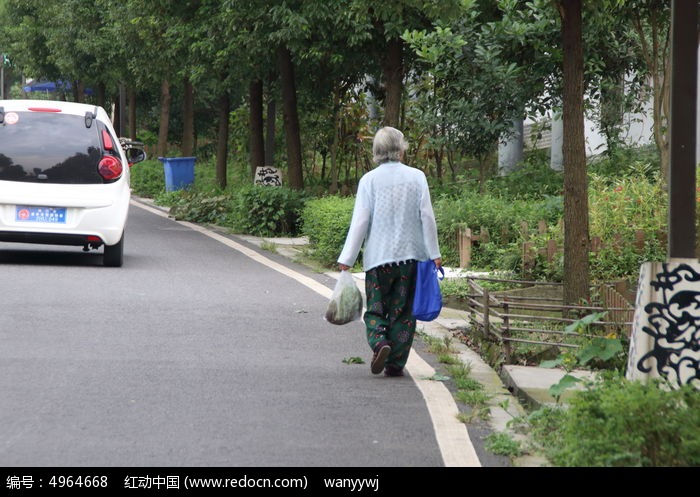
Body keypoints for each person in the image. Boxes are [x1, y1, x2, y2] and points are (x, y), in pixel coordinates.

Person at [337, 126, 442, 377]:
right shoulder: (417, 177)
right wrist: (434, 253)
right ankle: (395, 363)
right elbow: (427, 217)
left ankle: (380, 342)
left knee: (376, 308)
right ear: (401, 150)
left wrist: (347, 259)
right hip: (410, 259)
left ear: (376, 152)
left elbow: (360, 221)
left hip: (378, 260)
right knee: (403, 312)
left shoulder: (369, 181)